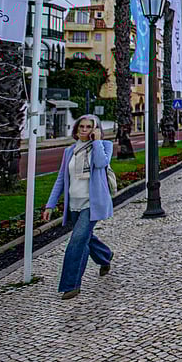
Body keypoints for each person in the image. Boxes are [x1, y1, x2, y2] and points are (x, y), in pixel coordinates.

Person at [42, 114, 114, 300]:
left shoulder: (104, 146)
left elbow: (101, 163)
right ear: (76, 129)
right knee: (85, 238)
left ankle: (71, 285)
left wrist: (97, 141)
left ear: (95, 129)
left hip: (92, 203)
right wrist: (50, 205)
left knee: (76, 241)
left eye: (89, 127)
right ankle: (105, 255)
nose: (84, 130)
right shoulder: (69, 151)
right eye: (81, 126)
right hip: (73, 203)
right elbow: (61, 180)